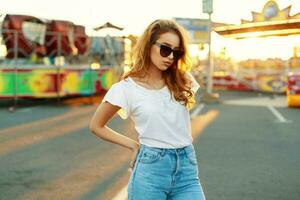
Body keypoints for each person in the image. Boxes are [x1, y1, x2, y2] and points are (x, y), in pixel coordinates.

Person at [89, 19, 206, 200]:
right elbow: (97, 125)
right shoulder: (126, 88)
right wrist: (133, 145)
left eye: (176, 52)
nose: (170, 57)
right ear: (148, 45)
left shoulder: (183, 79)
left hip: (186, 168)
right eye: (165, 48)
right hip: (151, 170)